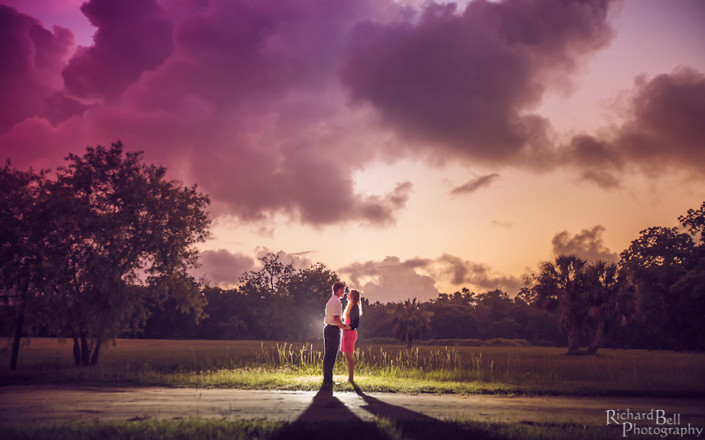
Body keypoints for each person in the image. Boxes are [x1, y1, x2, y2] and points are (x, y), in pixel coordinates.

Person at [322, 282, 346, 386]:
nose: (344, 292)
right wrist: (344, 326)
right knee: (331, 355)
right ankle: (328, 379)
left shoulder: (331, 300)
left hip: (328, 328)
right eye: (343, 289)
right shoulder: (336, 302)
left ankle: (327, 378)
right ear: (338, 290)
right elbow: (336, 318)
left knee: (328, 354)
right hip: (333, 329)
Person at [340, 289, 362, 383]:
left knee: (349, 356)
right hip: (345, 333)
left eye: (349, 293)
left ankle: (351, 378)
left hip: (350, 333)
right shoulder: (350, 306)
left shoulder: (355, 307)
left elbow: (355, 323)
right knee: (346, 356)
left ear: (352, 296)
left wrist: (346, 327)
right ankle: (349, 378)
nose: (347, 294)